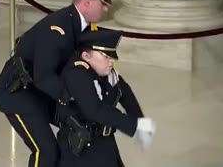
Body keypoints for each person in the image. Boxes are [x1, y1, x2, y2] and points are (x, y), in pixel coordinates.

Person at [0, 0, 117, 167]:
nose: (106, 7)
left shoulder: (86, 29)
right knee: (46, 151)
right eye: (102, 3)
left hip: (45, 91)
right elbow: (44, 77)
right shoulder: (57, 29)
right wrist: (77, 97)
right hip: (19, 94)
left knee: (85, 130)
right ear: (87, 3)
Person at [56, 29, 156, 167]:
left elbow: (126, 96)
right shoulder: (77, 74)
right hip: (80, 147)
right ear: (86, 56)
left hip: (105, 143)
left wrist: (140, 120)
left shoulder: (108, 74)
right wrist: (133, 126)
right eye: (106, 57)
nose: (111, 62)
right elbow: (94, 110)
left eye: (112, 57)